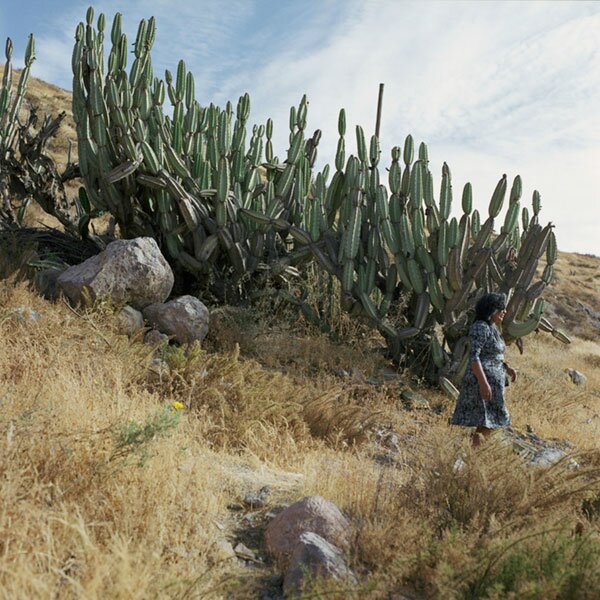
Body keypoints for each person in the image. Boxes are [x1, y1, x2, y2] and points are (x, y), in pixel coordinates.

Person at [450, 292, 517, 447]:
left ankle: (471, 450)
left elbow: (493, 354)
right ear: (492, 310)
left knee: (489, 421)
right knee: (488, 420)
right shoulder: (480, 327)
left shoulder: (492, 327)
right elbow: (474, 357)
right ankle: (472, 451)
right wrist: (483, 383)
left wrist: (507, 368)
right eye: (501, 309)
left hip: (493, 381)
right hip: (482, 381)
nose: (504, 312)